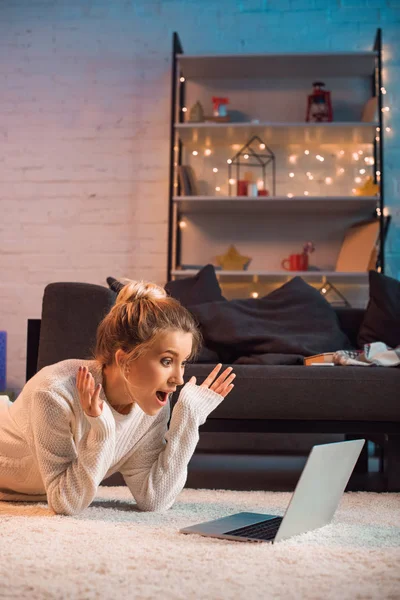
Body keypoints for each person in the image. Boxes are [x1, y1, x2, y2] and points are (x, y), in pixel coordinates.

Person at [0, 280, 235, 515]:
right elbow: (65, 502)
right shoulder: (53, 392)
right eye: (166, 361)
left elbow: (154, 500)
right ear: (124, 360)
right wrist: (102, 431)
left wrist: (188, 420)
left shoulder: (148, 406)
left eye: (182, 363)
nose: (179, 379)